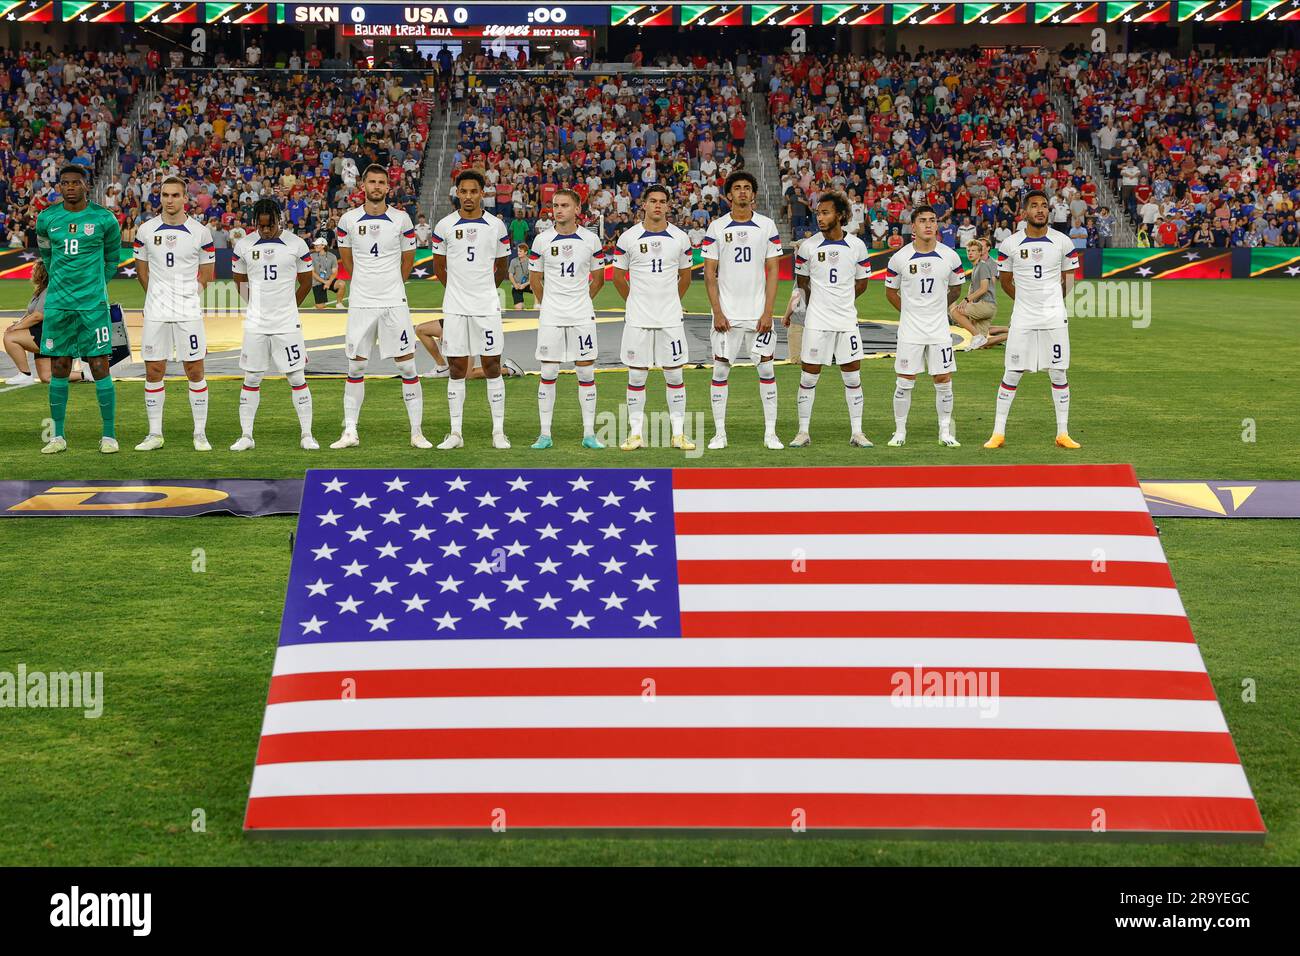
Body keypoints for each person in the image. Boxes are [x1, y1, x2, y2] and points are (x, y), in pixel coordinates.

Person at [330, 164, 426, 450]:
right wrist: (365, 284)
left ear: (388, 186)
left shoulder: (401, 219)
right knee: (356, 365)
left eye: (381, 182)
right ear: (363, 184)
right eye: (371, 181)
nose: (376, 186)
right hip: (361, 303)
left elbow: (408, 259)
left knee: (408, 366)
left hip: (393, 301)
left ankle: (417, 432)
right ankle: (350, 431)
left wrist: (392, 284)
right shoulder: (348, 220)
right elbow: (347, 260)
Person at [34, 165, 122, 454]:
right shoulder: (47, 219)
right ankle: (57, 436)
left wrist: (95, 286)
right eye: (65, 183)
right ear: (60, 187)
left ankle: (109, 435)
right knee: (59, 366)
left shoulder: (104, 219)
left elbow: (111, 259)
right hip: (59, 304)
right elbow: (47, 256)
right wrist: (63, 285)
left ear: (87, 186)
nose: (70, 187)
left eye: (76, 183)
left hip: (92, 306)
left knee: (99, 365)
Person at [984, 190, 1081, 450]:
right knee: (1013, 371)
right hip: (1024, 318)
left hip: (1054, 317)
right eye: (1034, 206)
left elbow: (1069, 278)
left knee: (1059, 371)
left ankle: (1063, 433)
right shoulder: (1010, 244)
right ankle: (998, 433)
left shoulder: (1062, 241)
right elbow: (1005, 281)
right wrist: (1027, 302)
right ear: (1024, 211)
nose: (1040, 210)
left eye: (1044, 206)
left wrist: (1052, 302)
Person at [132, 175, 216, 451]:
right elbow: (141, 271)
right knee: (154, 370)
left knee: (195, 370)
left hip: (188, 312)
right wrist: (156, 295)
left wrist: (191, 293)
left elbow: (207, 274)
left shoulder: (200, 232)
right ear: (160, 197)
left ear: (184, 199)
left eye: (175, 195)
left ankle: (200, 434)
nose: (169, 200)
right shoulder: (145, 230)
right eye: (165, 195)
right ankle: (155, 434)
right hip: (156, 312)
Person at [429, 169, 511, 449]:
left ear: (482, 193)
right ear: (457, 193)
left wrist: (484, 289)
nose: (467, 196)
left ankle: (498, 432)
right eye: (462, 191)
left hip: (486, 307)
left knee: (491, 365)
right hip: (455, 308)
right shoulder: (444, 226)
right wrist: (458, 291)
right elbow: (439, 267)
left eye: (473, 191)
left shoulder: (496, 226)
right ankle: (455, 433)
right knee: (456, 367)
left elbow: (502, 267)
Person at [702, 170, 783, 450]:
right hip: (727, 315)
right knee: (721, 372)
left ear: (754, 194)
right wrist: (718, 312)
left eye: (747, 187)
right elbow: (709, 273)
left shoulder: (767, 226)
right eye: (737, 188)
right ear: (728, 195)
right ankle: (719, 433)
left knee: (767, 370)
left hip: (758, 313)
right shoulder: (715, 228)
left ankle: (771, 433)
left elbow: (773, 270)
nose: (742, 192)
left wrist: (768, 311)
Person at [612, 183, 695, 452]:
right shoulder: (628, 238)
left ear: (668, 206)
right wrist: (635, 302)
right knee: (637, 377)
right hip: (638, 319)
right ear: (644, 205)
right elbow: (617, 277)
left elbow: (685, 277)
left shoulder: (681, 238)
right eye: (653, 201)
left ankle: (678, 434)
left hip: (670, 319)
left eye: (662, 201)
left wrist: (671, 301)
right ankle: (635, 434)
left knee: (674, 375)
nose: (658, 205)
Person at [229, 198, 317, 451]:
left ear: (280, 219)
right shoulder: (244, 245)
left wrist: (290, 307)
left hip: (287, 323)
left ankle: (307, 434)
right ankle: (246, 436)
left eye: (270, 225)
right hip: (256, 323)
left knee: (297, 375)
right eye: (261, 225)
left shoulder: (297, 244)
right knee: (252, 376)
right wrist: (255, 305)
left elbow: (306, 283)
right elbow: (239, 281)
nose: (265, 230)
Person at [789, 190, 872, 448]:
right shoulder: (807, 247)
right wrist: (817, 306)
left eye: (825, 213)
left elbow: (862, 283)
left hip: (847, 321)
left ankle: (857, 432)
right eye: (818, 213)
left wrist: (842, 303)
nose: (820, 218)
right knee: (809, 376)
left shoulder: (857, 246)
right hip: (817, 322)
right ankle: (803, 432)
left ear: (841, 215)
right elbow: (803, 283)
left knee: (852, 377)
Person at [527, 188, 606, 449]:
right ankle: (545, 434)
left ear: (577, 210)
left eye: (564, 205)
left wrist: (581, 301)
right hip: (552, 314)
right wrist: (549, 302)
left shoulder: (591, 240)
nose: (558, 210)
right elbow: (535, 280)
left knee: (585, 370)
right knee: (548, 370)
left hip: (581, 314)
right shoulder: (541, 240)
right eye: (555, 205)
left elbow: (599, 279)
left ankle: (589, 434)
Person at [883, 206, 965, 448]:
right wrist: (910, 312)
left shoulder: (950, 256)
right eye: (922, 221)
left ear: (937, 225)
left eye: (932, 220)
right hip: (910, 330)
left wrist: (938, 310)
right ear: (914, 226)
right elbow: (890, 292)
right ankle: (899, 432)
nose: (928, 225)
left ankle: (945, 432)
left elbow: (956, 288)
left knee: (943, 379)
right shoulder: (899, 258)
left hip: (939, 329)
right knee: (905, 381)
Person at [3, 261, 90, 386]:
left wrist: (15, 328)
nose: (31, 272)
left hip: (50, 334)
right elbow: (30, 313)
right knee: (46, 377)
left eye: (34, 270)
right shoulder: (41, 290)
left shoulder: (50, 289)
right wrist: (18, 324)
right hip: (43, 332)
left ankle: (25, 374)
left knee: (10, 337)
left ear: (41, 273)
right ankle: (86, 375)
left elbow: (38, 316)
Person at [950, 239, 1006, 349]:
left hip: (986, 305)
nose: (970, 253)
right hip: (987, 306)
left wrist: (966, 300)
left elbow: (984, 288)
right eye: (968, 251)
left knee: (955, 312)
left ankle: (977, 336)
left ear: (980, 253)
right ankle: (1010, 335)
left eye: (973, 251)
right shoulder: (976, 267)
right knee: (982, 344)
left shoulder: (983, 266)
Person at [310, 237, 346, 309]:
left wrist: (329, 282)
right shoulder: (312, 256)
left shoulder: (332, 256)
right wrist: (324, 282)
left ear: (323, 246)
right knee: (320, 307)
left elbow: (335, 272)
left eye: (317, 245)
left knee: (341, 284)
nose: (315, 246)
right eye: (315, 245)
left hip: (330, 280)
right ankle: (319, 304)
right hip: (318, 282)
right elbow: (312, 273)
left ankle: (339, 304)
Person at [508, 243, 531, 309]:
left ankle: (538, 305)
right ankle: (522, 306)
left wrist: (525, 284)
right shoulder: (513, 261)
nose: (518, 253)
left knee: (536, 287)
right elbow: (510, 275)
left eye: (520, 251)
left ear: (526, 252)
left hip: (527, 284)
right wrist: (515, 284)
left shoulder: (531, 262)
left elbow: (533, 277)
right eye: (518, 251)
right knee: (518, 308)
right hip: (517, 286)